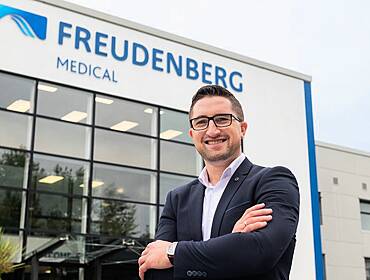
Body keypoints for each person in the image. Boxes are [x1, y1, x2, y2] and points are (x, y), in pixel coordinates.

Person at [138, 85, 300, 279]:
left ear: (242, 129)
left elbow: (261, 252)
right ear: (192, 135)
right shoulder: (177, 199)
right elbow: (155, 273)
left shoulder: (274, 181)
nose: (212, 130)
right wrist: (232, 243)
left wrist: (174, 252)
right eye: (201, 122)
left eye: (222, 119)